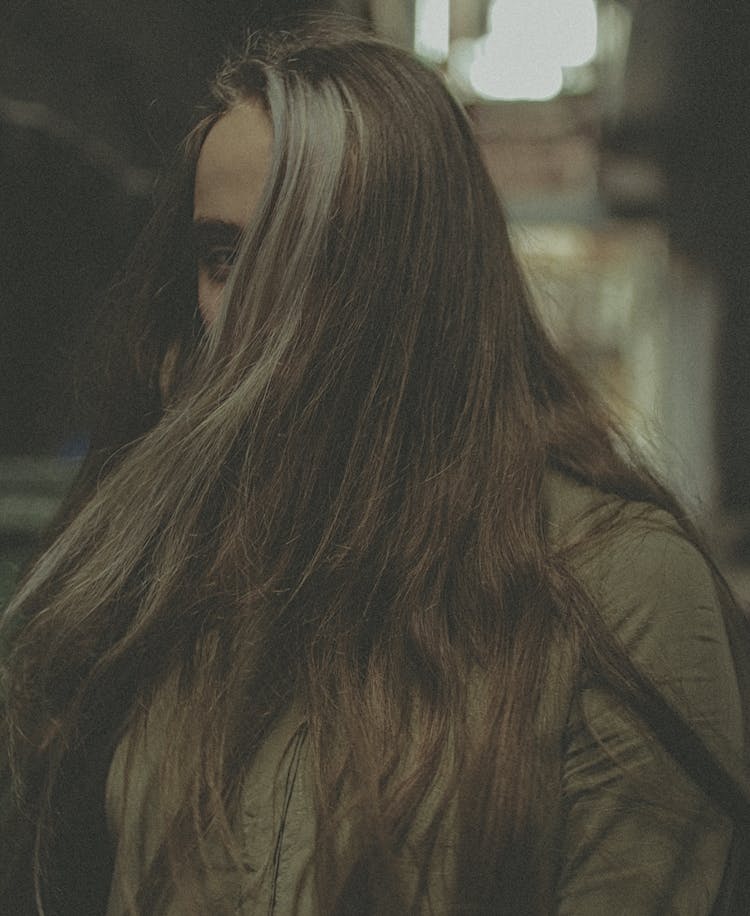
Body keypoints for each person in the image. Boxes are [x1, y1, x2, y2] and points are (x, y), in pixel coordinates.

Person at [1, 20, 749, 916]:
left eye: (306, 250)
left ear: (416, 275)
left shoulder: (615, 588)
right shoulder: (165, 570)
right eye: (222, 256)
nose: (248, 308)